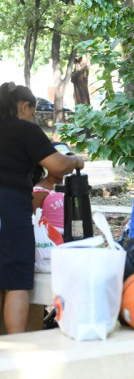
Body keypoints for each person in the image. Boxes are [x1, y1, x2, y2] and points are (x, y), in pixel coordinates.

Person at [0, 82, 83, 334]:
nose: (32, 117)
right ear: (24, 106)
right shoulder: (24, 130)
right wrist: (75, 161)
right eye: (32, 112)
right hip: (10, 206)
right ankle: (17, 350)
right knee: (16, 282)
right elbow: (58, 165)